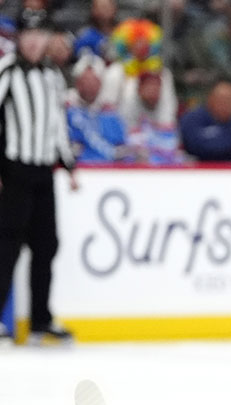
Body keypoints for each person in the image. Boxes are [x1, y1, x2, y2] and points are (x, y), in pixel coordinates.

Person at [0, 9, 79, 346]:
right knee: (7, 248)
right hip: (14, 171)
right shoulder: (6, 71)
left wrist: (70, 165)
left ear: (48, 39)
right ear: (19, 38)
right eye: (29, 36)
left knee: (47, 246)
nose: (34, 42)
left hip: (43, 171)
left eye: (41, 35)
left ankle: (40, 321)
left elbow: (56, 125)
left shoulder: (52, 75)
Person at [65, 52, 128, 163]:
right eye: (85, 81)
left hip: (107, 170)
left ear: (100, 83)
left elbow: (120, 146)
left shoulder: (109, 111)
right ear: (77, 83)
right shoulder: (66, 107)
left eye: (94, 81)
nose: (90, 85)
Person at [178, 77, 231, 162]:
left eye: (230, 99)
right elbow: (194, 146)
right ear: (211, 99)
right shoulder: (193, 119)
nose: (227, 104)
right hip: (202, 172)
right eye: (223, 99)